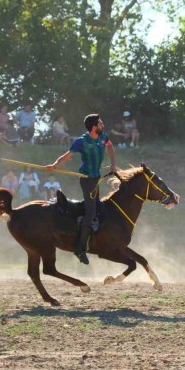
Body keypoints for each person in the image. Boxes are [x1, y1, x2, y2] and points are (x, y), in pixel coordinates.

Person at [46, 113, 116, 264]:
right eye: (100, 123)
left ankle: (96, 241)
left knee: (97, 209)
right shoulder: (81, 141)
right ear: (94, 127)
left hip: (96, 179)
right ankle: (79, 248)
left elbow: (110, 146)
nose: (103, 125)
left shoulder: (103, 137)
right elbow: (66, 157)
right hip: (87, 180)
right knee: (91, 213)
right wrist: (54, 166)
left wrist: (113, 164)